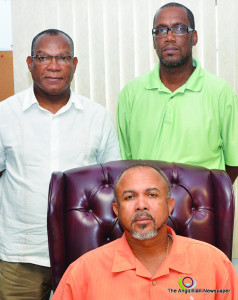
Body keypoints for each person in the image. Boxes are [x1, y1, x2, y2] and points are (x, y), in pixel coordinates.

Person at [0, 29, 121, 299]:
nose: (54, 66)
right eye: (44, 57)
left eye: (63, 58)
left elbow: (114, 184)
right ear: (30, 64)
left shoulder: (97, 117)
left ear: (74, 64)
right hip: (20, 255)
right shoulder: (4, 115)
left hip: (85, 250)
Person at [52, 163, 238, 299]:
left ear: (169, 206)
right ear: (116, 210)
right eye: (130, 197)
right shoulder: (82, 272)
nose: (141, 205)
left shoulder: (214, 264)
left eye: (152, 195)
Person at [117, 2, 238, 184]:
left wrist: (209, 198)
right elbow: (124, 162)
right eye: (161, 30)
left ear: (194, 37)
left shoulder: (219, 92)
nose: (170, 37)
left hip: (202, 207)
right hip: (146, 207)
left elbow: (234, 162)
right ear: (153, 40)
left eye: (179, 28)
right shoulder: (131, 94)